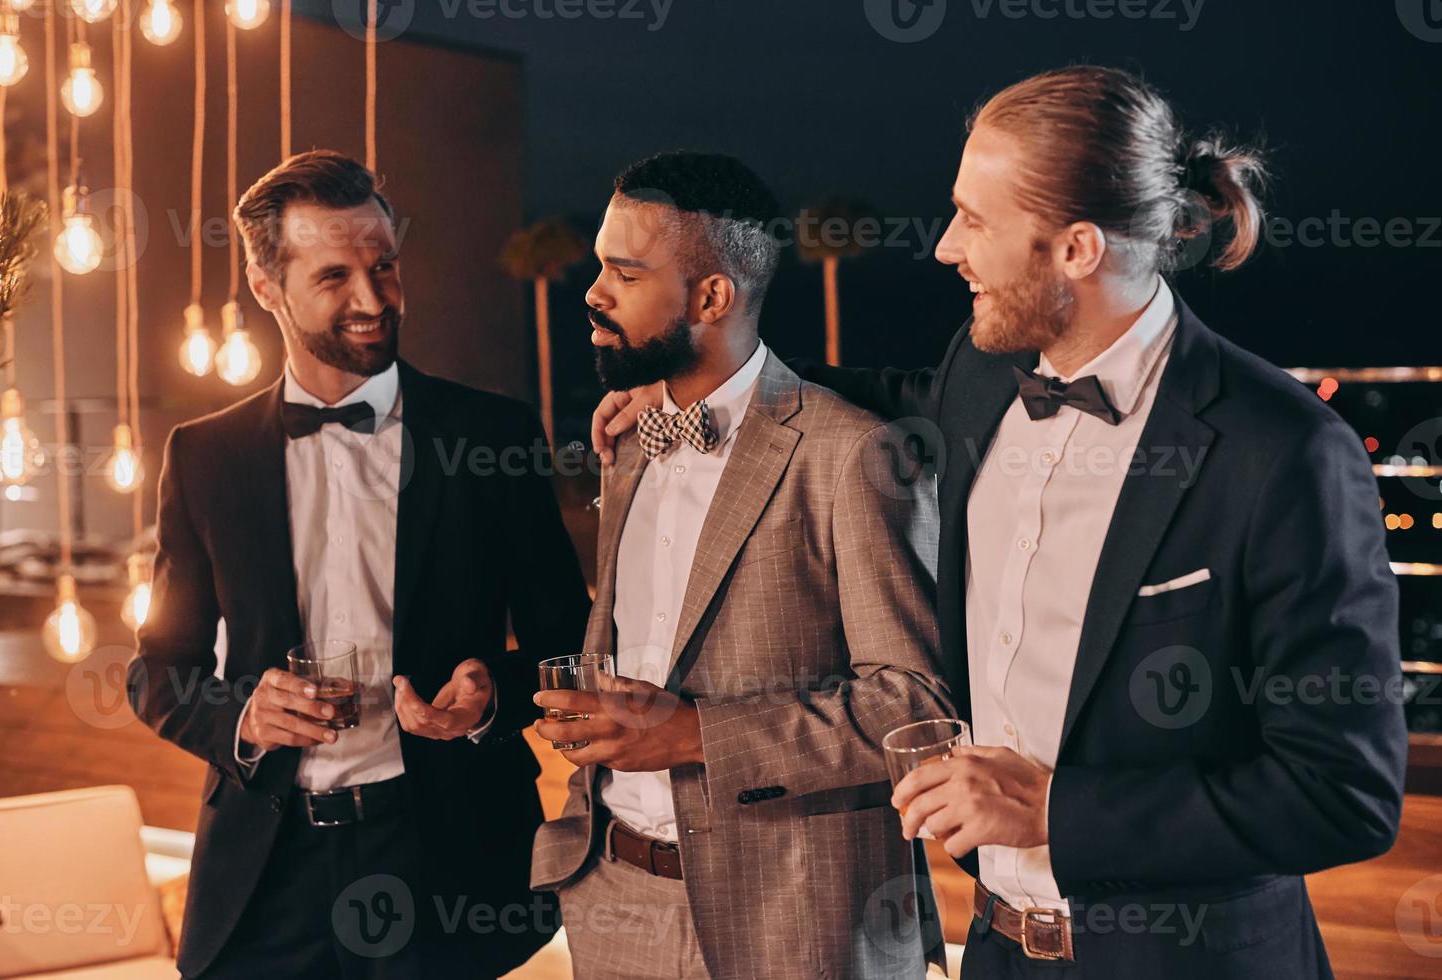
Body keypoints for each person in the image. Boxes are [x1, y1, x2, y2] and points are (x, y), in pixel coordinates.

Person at [590, 69, 1406, 978]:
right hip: (994, 949)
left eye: (973, 220)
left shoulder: (1283, 451)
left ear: (1077, 249)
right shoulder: (978, 379)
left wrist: (1055, 812)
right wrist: (694, 393)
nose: (944, 249)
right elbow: (882, 401)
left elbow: (1343, 794)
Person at [130, 149, 591, 979]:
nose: (374, 301)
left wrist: (489, 699)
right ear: (267, 288)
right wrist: (243, 717)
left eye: (384, 267)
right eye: (334, 276)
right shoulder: (202, 456)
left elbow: (573, 645)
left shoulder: (491, 436)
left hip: (442, 861)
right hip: (267, 873)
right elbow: (159, 675)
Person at [530, 151, 954, 979]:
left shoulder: (851, 454)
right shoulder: (628, 442)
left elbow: (915, 708)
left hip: (795, 927)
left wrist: (694, 735)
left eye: (623, 271)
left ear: (712, 296)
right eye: (597, 266)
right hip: (612, 906)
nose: (593, 292)